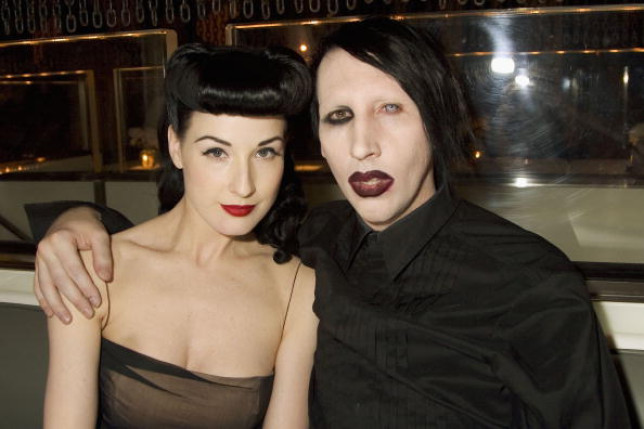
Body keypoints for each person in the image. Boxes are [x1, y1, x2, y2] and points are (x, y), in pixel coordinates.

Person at [30, 18, 630, 429]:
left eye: (390, 108)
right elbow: (195, 237)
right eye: (340, 116)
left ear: (438, 119)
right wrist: (76, 220)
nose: (363, 145)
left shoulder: (531, 284)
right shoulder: (314, 242)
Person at [40, 43, 317, 429]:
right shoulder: (97, 269)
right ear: (176, 146)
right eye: (217, 152)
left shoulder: (297, 289)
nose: (244, 186)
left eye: (265, 153)